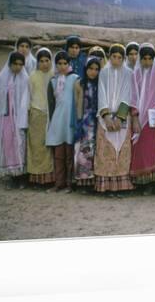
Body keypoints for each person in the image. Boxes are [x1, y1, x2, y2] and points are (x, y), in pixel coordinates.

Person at [94, 44, 135, 195]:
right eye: (114, 57)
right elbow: (101, 93)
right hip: (106, 117)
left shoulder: (128, 73)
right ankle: (106, 186)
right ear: (109, 57)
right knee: (106, 150)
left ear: (123, 58)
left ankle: (122, 186)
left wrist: (119, 117)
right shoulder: (104, 72)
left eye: (119, 57)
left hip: (122, 117)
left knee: (122, 151)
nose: (116, 60)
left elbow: (127, 93)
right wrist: (106, 117)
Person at [129, 43, 155, 195]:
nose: (147, 62)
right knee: (141, 151)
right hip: (140, 120)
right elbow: (132, 98)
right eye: (144, 59)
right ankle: (145, 184)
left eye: (150, 59)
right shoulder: (135, 75)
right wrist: (134, 118)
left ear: (154, 59)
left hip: (154, 121)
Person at [0, 52, 30, 189]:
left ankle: (22, 177)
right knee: (8, 146)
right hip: (6, 118)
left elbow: (25, 101)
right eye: (15, 64)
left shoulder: (25, 79)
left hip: (20, 119)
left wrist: (22, 118)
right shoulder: (2, 78)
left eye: (20, 64)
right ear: (10, 64)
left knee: (20, 146)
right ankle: (13, 177)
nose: (18, 67)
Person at [46, 51, 80, 193]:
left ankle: (69, 184)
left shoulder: (75, 79)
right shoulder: (53, 82)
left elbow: (78, 101)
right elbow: (51, 105)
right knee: (58, 155)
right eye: (59, 63)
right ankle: (58, 183)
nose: (62, 66)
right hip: (57, 122)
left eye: (65, 63)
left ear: (69, 64)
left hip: (70, 122)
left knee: (69, 155)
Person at [26, 48, 55, 186]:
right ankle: (36, 178)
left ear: (51, 61)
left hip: (51, 115)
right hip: (36, 115)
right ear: (37, 62)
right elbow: (28, 96)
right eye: (41, 61)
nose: (44, 64)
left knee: (48, 147)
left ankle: (49, 178)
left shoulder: (54, 75)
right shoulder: (32, 76)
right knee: (36, 146)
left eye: (47, 60)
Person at [73, 57, 101, 190]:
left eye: (96, 69)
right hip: (84, 122)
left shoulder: (101, 84)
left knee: (96, 150)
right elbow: (76, 103)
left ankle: (94, 182)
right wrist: (78, 121)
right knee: (84, 151)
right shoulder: (79, 83)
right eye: (90, 69)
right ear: (86, 69)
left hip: (97, 121)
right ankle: (83, 182)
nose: (93, 72)